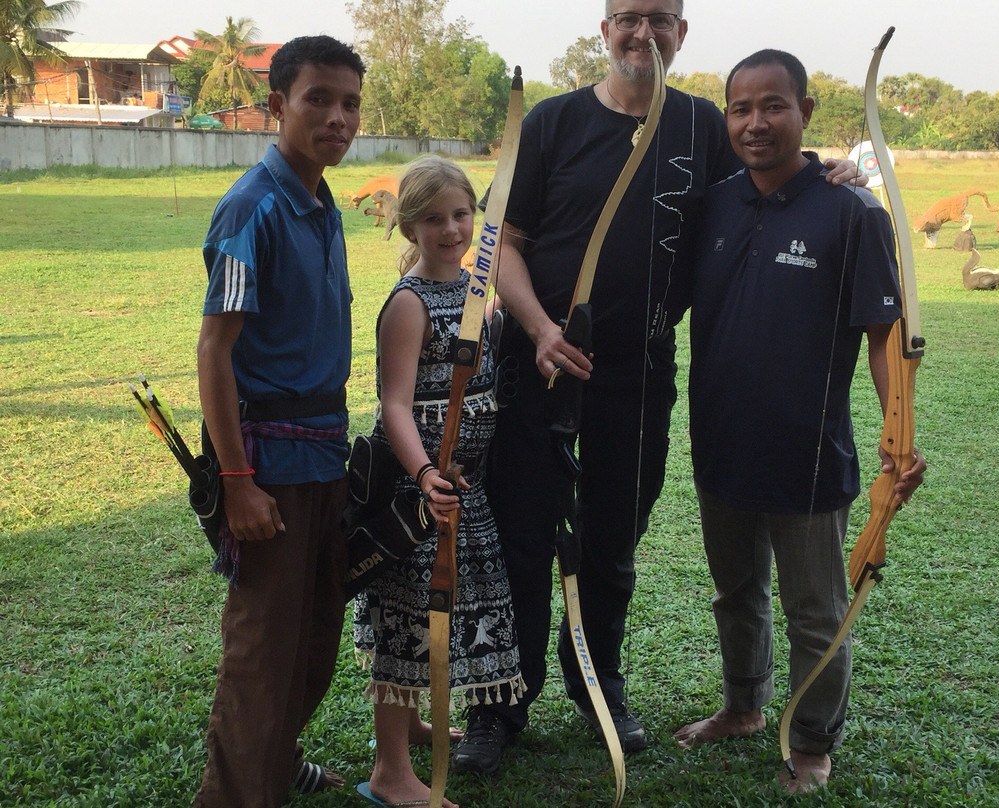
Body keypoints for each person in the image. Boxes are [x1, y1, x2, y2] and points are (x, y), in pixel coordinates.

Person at [451, 0, 865, 777]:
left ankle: (598, 683)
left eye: (661, 18)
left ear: (682, 32)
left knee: (611, 541)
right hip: (536, 367)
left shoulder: (705, 125)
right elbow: (501, 243)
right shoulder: (551, 122)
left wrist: (833, 172)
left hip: (637, 375)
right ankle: (497, 706)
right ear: (604, 29)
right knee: (521, 540)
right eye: (629, 17)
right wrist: (539, 329)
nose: (644, 33)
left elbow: (768, 180)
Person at [672, 49, 927, 793]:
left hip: (808, 454)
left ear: (805, 112)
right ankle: (743, 707)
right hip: (720, 443)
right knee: (735, 592)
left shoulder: (851, 212)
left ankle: (813, 742)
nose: (756, 123)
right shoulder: (715, 204)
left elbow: (884, 335)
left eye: (773, 106)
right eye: (741, 109)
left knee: (815, 611)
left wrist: (899, 437)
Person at [192, 36, 365, 808]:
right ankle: (235, 795)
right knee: (264, 646)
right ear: (276, 106)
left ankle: (279, 758)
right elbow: (215, 349)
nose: (337, 118)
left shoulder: (323, 204)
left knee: (315, 636)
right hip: (269, 464)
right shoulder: (253, 207)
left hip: (325, 455)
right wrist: (237, 480)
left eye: (350, 103)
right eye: (317, 99)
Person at [351, 156, 525, 807]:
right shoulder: (409, 302)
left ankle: (415, 728)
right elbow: (394, 404)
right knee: (405, 622)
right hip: (416, 495)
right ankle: (390, 771)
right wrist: (423, 473)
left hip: (460, 488)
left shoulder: (476, 289)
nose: (451, 229)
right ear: (409, 227)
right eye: (433, 219)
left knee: (437, 618)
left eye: (461, 215)